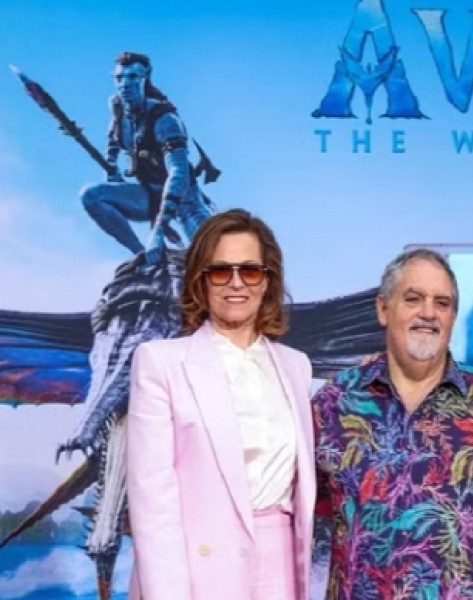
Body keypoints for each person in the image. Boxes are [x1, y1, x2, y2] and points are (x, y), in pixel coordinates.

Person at [313, 248, 473, 599]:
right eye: (413, 299)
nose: (428, 313)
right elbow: (302, 510)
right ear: (383, 309)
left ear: (453, 317)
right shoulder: (334, 403)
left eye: (441, 303)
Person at [126, 209, 316, 599]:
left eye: (249, 270)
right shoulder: (160, 362)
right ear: (200, 281)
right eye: (220, 271)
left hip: (282, 566)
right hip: (197, 572)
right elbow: (152, 502)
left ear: (267, 281)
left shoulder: (296, 366)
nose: (235, 284)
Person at [80, 51, 214, 264]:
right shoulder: (118, 109)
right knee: (91, 196)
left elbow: (178, 173)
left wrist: (159, 230)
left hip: (184, 200)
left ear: (145, 78)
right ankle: (143, 257)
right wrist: (110, 168)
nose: (125, 84)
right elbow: (113, 139)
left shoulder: (165, 119)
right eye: (119, 78)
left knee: (215, 256)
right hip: (149, 195)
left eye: (132, 77)